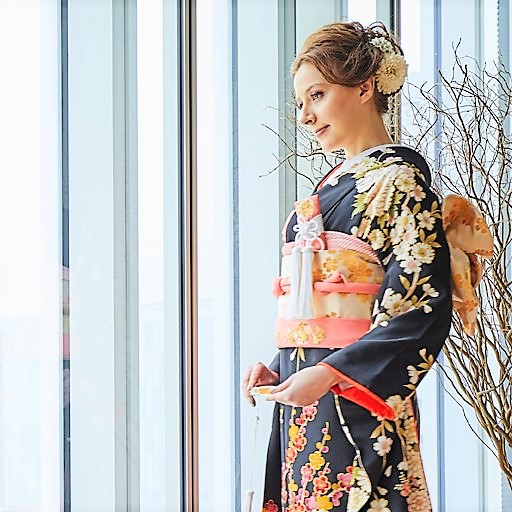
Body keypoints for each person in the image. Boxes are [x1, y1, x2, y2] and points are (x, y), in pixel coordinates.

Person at [242, 21, 454, 512]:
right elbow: (320, 318)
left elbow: (419, 310)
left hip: (359, 406)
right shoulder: (328, 191)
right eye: (300, 104)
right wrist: (283, 367)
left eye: (316, 95)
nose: (307, 116)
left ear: (365, 86)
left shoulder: (399, 184)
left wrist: (330, 372)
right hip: (308, 401)